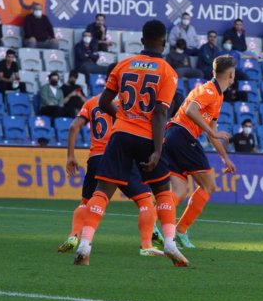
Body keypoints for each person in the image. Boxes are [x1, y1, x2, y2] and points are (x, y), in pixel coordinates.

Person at [74, 20, 186, 267]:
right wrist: (157, 149)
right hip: (148, 137)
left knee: (102, 191)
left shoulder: (123, 65)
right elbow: (159, 113)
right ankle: (169, 242)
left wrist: (124, 118)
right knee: (162, 191)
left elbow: (104, 102)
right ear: (164, 41)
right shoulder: (167, 71)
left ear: (142, 39)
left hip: (121, 134)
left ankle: (85, 243)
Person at [58, 93, 161, 258]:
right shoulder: (130, 102)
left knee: (86, 201)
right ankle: (146, 245)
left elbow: (73, 126)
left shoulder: (92, 102)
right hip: (120, 155)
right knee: (144, 200)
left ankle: (74, 235)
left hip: (96, 158)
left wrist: (70, 156)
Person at [162, 55, 237, 249]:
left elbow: (212, 133)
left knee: (178, 191)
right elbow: (191, 112)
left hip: (172, 137)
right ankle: (181, 230)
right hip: (182, 135)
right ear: (230, 74)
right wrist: (212, 131)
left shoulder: (216, 95)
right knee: (208, 185)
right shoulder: (209, 91)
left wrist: (224, 157)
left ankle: (154, 225)